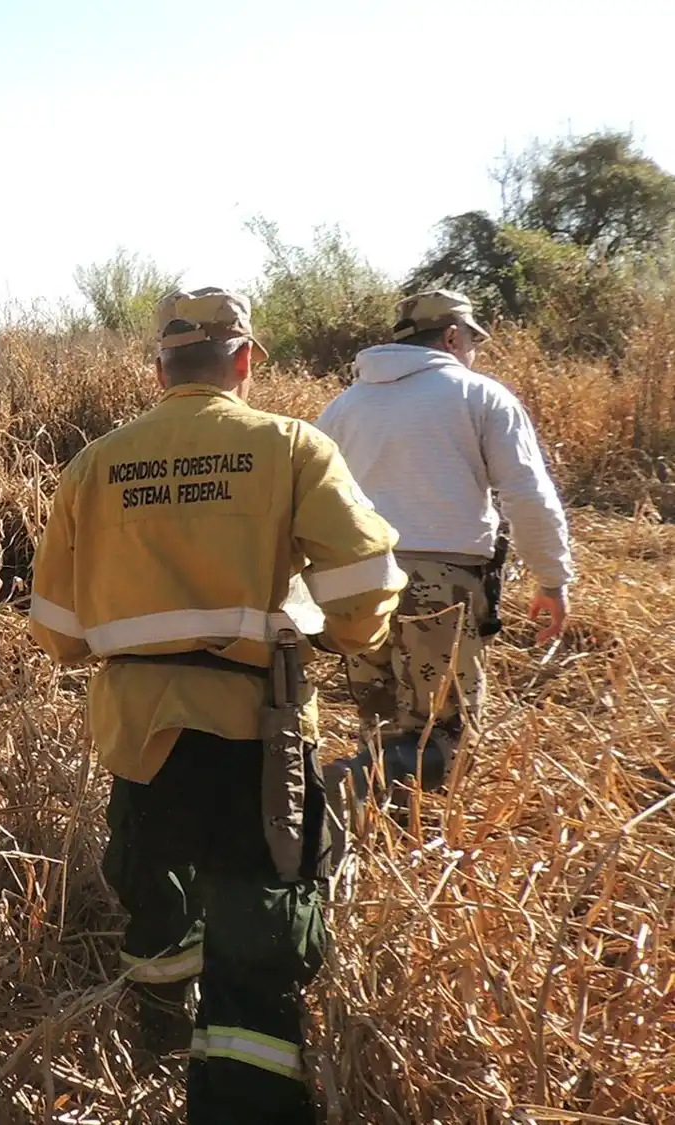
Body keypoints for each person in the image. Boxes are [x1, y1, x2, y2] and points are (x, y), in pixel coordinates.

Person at [29, 287, 408, 1124]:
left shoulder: (96, 463)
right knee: (260, 931)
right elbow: (366, 584)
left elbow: (57, 629)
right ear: (245, 361)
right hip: (258, 736)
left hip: (137, 734)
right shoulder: (290, 448)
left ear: (159, 365)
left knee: (156, 896)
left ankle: (157, 1040)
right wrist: (344, 634)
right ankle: (242, 1100)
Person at [316, 289, 573, 795]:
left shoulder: (343, 408)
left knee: (382, 723)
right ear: (453, 336)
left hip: (358, 580)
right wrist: (553, 578)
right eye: (472, 340)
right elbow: (526, 495)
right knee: (446, 735)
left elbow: (318, 501)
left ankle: (365, 829)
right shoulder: (480, 395)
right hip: (441, 586)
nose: (473, 351)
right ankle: (338, 788)